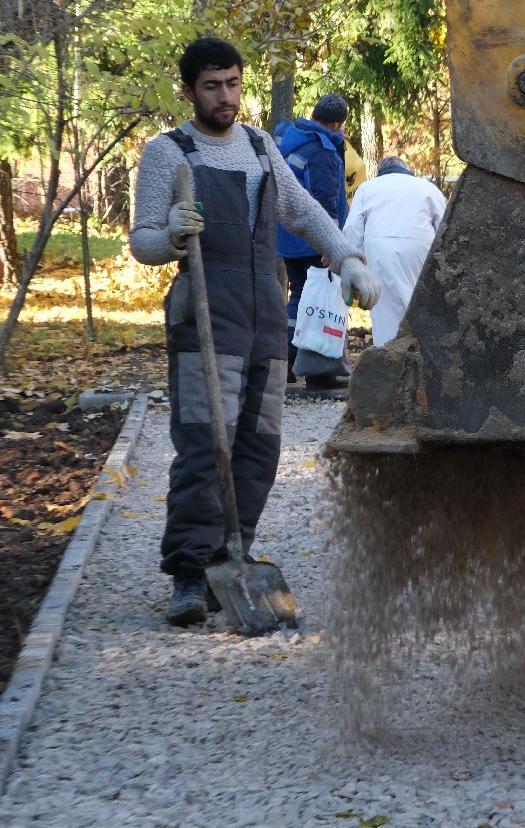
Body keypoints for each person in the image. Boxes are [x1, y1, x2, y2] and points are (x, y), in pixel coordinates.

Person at [129, 37, 380, 627]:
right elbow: (141, 242)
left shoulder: (262, 147)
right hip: (203, 315)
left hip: (266, 315)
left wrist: (346, 257)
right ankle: (190, 574)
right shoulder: (169, 153)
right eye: (212, 85)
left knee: (258, 446)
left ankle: (230, 554)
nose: (225, 96)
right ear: (188, 90)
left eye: (233, 83)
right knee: (202, 442)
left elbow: (304, 213)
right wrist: (169, 234)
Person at [274, 93, 351, 388]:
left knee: (300, 296)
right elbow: (325, 202)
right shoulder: (322, 150)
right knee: (314, 301)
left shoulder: (289, 135)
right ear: (335, 124)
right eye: (341, 127)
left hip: (286, 234)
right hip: (310, 239)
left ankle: (285, 363)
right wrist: (330, 246)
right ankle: (317, 369)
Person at [342, 155, 447, 344]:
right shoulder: (428, 188)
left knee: (385, 309)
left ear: (380, 172)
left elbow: (352, 229)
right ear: (406, 169)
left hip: (378, 247)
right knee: (419, 301)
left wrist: (354, 263)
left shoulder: (367, 188)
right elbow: (445, 226)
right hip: (420, 245)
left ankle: (386, 355)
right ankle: (421, 352)